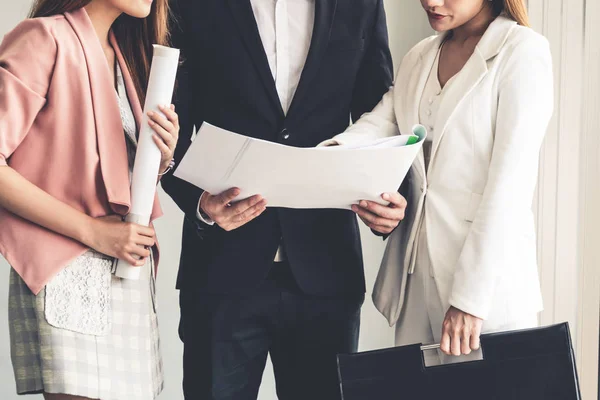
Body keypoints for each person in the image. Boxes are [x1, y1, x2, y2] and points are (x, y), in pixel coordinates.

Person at [162, 0, 405, 398]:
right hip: (221, 271)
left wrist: (392, 199)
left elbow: (380, 117)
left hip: (326, 270)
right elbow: (169, 134)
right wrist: (200, 203)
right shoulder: (190, 5)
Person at [323, 0, 553, 364]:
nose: (430, 1)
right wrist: (321, 158)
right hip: (415, 281)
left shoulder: (522, 51)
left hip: (485, 290)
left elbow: (509, 189)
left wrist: (469, 300)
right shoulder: (420, 56)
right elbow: (380, 124)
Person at [0, 0, 180, 398]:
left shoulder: (122, 54)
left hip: (125, 273)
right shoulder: (44, 39)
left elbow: (106, 173)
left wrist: (160, 158)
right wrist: (95, 232)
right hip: (69, 268)